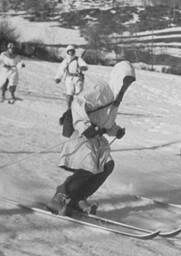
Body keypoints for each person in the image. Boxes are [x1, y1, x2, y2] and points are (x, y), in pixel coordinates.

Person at [47, 60, 136, 216]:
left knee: (107, 166)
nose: (126, 85)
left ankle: (78, 198)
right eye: (125, 80)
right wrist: (84, 126)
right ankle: (61, 195)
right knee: (89, 166)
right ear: (117, 77)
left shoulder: (115, 98)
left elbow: (106, 121)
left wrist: (116, 131)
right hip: (83, 135)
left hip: (97, 138)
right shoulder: (102, 90)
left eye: (129, 82)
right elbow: (78, 103)